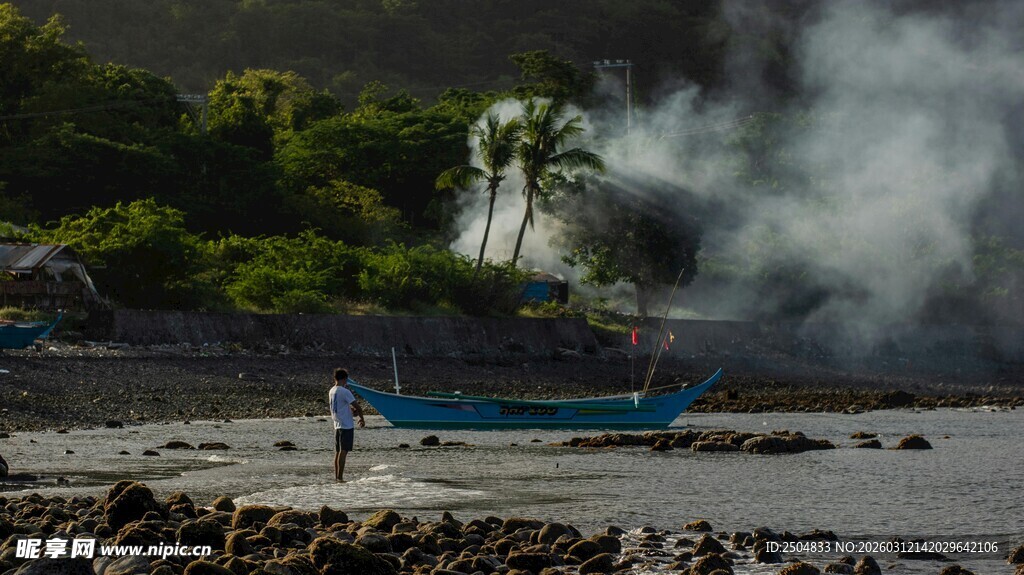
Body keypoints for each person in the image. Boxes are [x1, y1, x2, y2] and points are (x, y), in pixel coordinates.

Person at [329, 368, 365, 482]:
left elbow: (341, 406)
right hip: (346, 425)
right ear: (344, 379)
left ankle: (337, 477)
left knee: (338, 452)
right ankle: (340, 478)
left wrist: (351, 411)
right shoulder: (345, 391)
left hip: (337, 424)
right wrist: (362, 419)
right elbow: (358, 406)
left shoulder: (332, 390)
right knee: (344, 452)